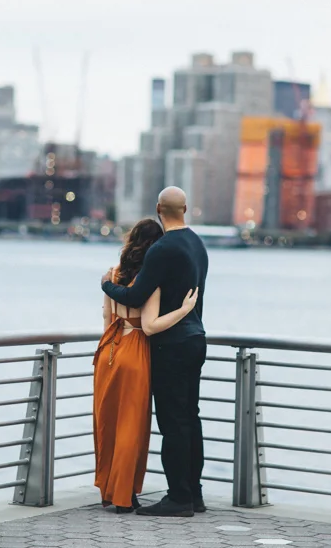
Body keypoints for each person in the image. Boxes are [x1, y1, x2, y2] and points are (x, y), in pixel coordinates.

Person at [100, 186, 209, 518]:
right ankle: (194, 494)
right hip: (196, 337)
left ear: (159, 208)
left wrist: (106, 285)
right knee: (191, 418)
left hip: (171, 344)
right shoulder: (198, 244)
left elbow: (136, 296)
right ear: (186, 209)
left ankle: (178, 498)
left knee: (173, 422)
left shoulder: (161, 249)